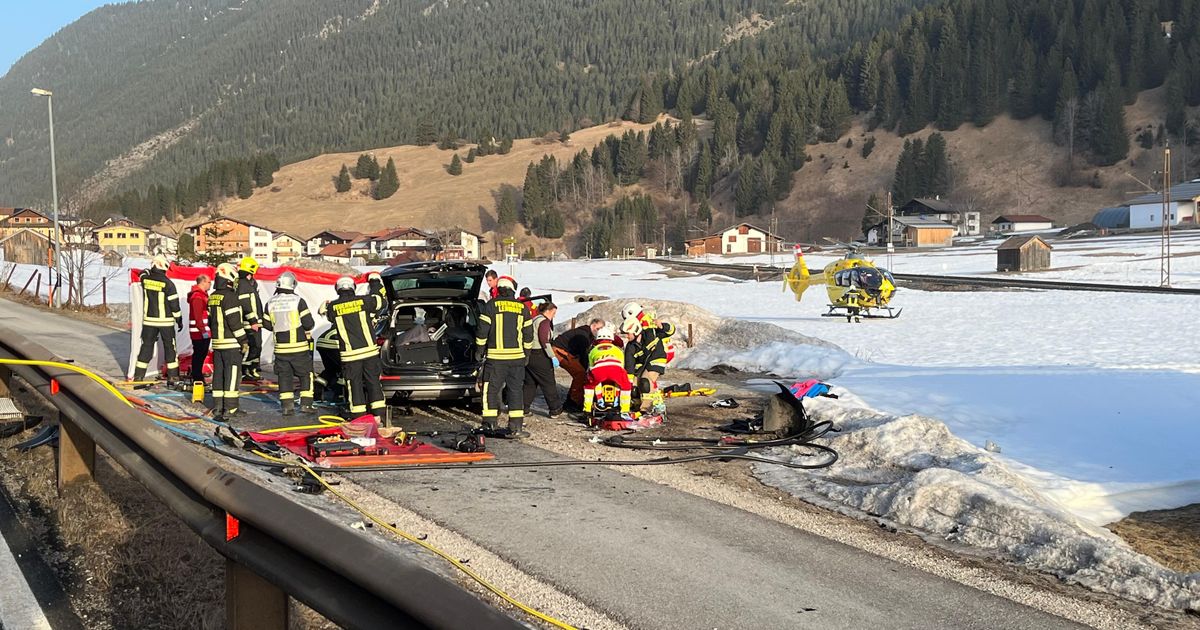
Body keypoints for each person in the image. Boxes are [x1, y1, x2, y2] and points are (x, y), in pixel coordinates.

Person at [475, 276, 533, 437]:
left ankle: (489, 424)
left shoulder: (491, 306)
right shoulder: (522, 308)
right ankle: (516, 427)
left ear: (498, 290)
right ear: (512, 290)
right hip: (517, 359)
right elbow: (529, 335)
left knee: (491, 390)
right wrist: (527, 354)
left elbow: (482, 332)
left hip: (496, 359)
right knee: (516, 391)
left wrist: (479, 350)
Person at [323, 276, 387, 420]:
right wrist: (374, 282)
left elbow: (328, 315)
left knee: (354, 385)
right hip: (369, 352)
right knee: (373, 381)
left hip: (350, 355)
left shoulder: (333, 307)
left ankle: (359, 416)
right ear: (353, 287)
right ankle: (378, 415)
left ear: (338, 289)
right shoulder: (365, 301)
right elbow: (380, 301)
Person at [263, 271, 316, 416]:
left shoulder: (270, 302)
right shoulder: (298, 301)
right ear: (293, 284)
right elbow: (309, 324)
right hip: (299, 348)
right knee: (306, 375)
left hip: (281, 349)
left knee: (284, 377)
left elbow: (267, 325)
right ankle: (306, 404)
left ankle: (287, 407)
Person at [132, 255, 182, 384]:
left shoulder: (146, 280)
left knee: (146, 347)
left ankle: (138, 376)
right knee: (170, 348)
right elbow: (174, 304)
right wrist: (179, 319)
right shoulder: (168, 284)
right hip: (166, 322)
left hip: (149, 321)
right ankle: (173, 376)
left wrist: (148, 271)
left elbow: (142, 274)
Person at [208, 263, 246, 419]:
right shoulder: (230, 297)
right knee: (232, 374)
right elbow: (234, 322)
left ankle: (218, 406)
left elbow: (210, 320)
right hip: (231, 343)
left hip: (218, 343)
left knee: (219, 374)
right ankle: (231, 408)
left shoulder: (213, 296)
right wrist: (243, 340)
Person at [551, 318, 605, 410]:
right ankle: (573, 402)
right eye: (598, 328)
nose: (599, 331)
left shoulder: (587, 335)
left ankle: (573, 397)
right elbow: (584, 355)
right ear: (593, 325)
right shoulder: (584, 336)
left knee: (581, 372)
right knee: (580, 373)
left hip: (566, 352)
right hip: (559, 350)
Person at [621, 316, 667, 414]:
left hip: (656, 360)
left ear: (635, 330)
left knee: (645, 381)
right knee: (634, 386)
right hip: (643, 365)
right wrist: (629, 383)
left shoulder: (651, 333)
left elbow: (669, 332)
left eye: (628, 333)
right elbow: (629, 367)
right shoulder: (630, 347)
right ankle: (637, 406)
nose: (627, 336)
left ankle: (646, 409)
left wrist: (662, 326)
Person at [523, 302, 562, 417]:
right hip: (540, 355)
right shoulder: (544, 322)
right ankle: (555, 409)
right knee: (548, 383)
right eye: (553, 313)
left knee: (530, 383)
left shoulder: (535, 319)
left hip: (530, 355)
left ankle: (523, 408)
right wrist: (552, 356)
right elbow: (544, 340)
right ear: (548, 311)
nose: (554, 315)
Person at [583, 325, 631, 417]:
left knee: (590, 385)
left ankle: (588, 409)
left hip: (598, 370)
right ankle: (624, 409)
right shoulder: (617, 350)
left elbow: (591, 366)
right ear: (611, 339)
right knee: (625, 385)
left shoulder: (593, 351)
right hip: (615, 369)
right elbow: (622, 365)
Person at [236, 257, 265, 380]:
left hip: (255, 323)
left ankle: (252, 369)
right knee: (251, 347)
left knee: (257, 346)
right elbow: (246, 304)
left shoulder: (249, 283)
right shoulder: (243, 284)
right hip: (249, 323)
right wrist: (253, 321)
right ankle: (245, 370)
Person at [187, 274, 211, 403]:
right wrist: (203, 331)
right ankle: (197, 377)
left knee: (201, 355)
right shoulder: (197, 296)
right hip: (199, 332)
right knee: (199, 355)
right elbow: (198, 316)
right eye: (209, 282)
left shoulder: (202, 295)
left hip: (202, 331)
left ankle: (198, 376)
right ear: (202, 282)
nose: (210, 284)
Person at [313, 325, 343, 403]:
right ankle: (340, 394)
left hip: (322, 341)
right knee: (345, 369)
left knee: (330, 370)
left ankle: (317, 390)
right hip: (333, 343)